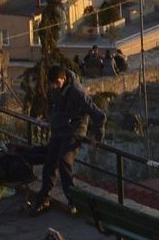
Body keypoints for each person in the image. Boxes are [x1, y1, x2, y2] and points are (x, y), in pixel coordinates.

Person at [28, 64, 105, 215]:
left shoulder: (77, 92)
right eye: (52, 83)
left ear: (63, 79)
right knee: (50, 162)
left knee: (64, 161)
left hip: (74, 130)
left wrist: (97, 136)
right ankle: (44, 197)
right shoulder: (53, 90)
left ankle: (73, 201)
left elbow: (98, 114)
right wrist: (51, 120)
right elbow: (53, 107)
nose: (54, 86)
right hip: (59, 129)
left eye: (57, 83)